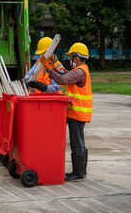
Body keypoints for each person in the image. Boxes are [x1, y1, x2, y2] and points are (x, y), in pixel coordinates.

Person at [39, 42, 92, 182]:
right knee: (78, 141)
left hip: (77, 113)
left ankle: (79, 173)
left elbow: (62, 79)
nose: (71, 59)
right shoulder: (81, 69)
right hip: (75, 112)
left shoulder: (81, 71)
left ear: (76, 57)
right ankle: (80, 172)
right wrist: (54, 61)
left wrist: (48, 67)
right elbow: (64, 73)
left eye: (72, 56)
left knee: (77, 142)